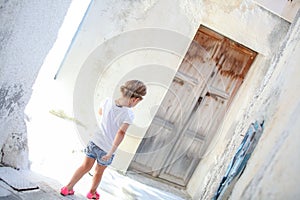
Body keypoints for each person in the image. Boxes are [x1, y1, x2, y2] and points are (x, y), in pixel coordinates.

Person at [60, 80, 147, 199]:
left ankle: (67, 188)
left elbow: (101, 112)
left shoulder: (107, 101)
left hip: (95, 141)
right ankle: (92, 193)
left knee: (85, 166)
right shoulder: (128, 114)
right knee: (98, 171)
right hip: (107, 149)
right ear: (135, 99)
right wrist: (111, 152)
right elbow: (121, 133)